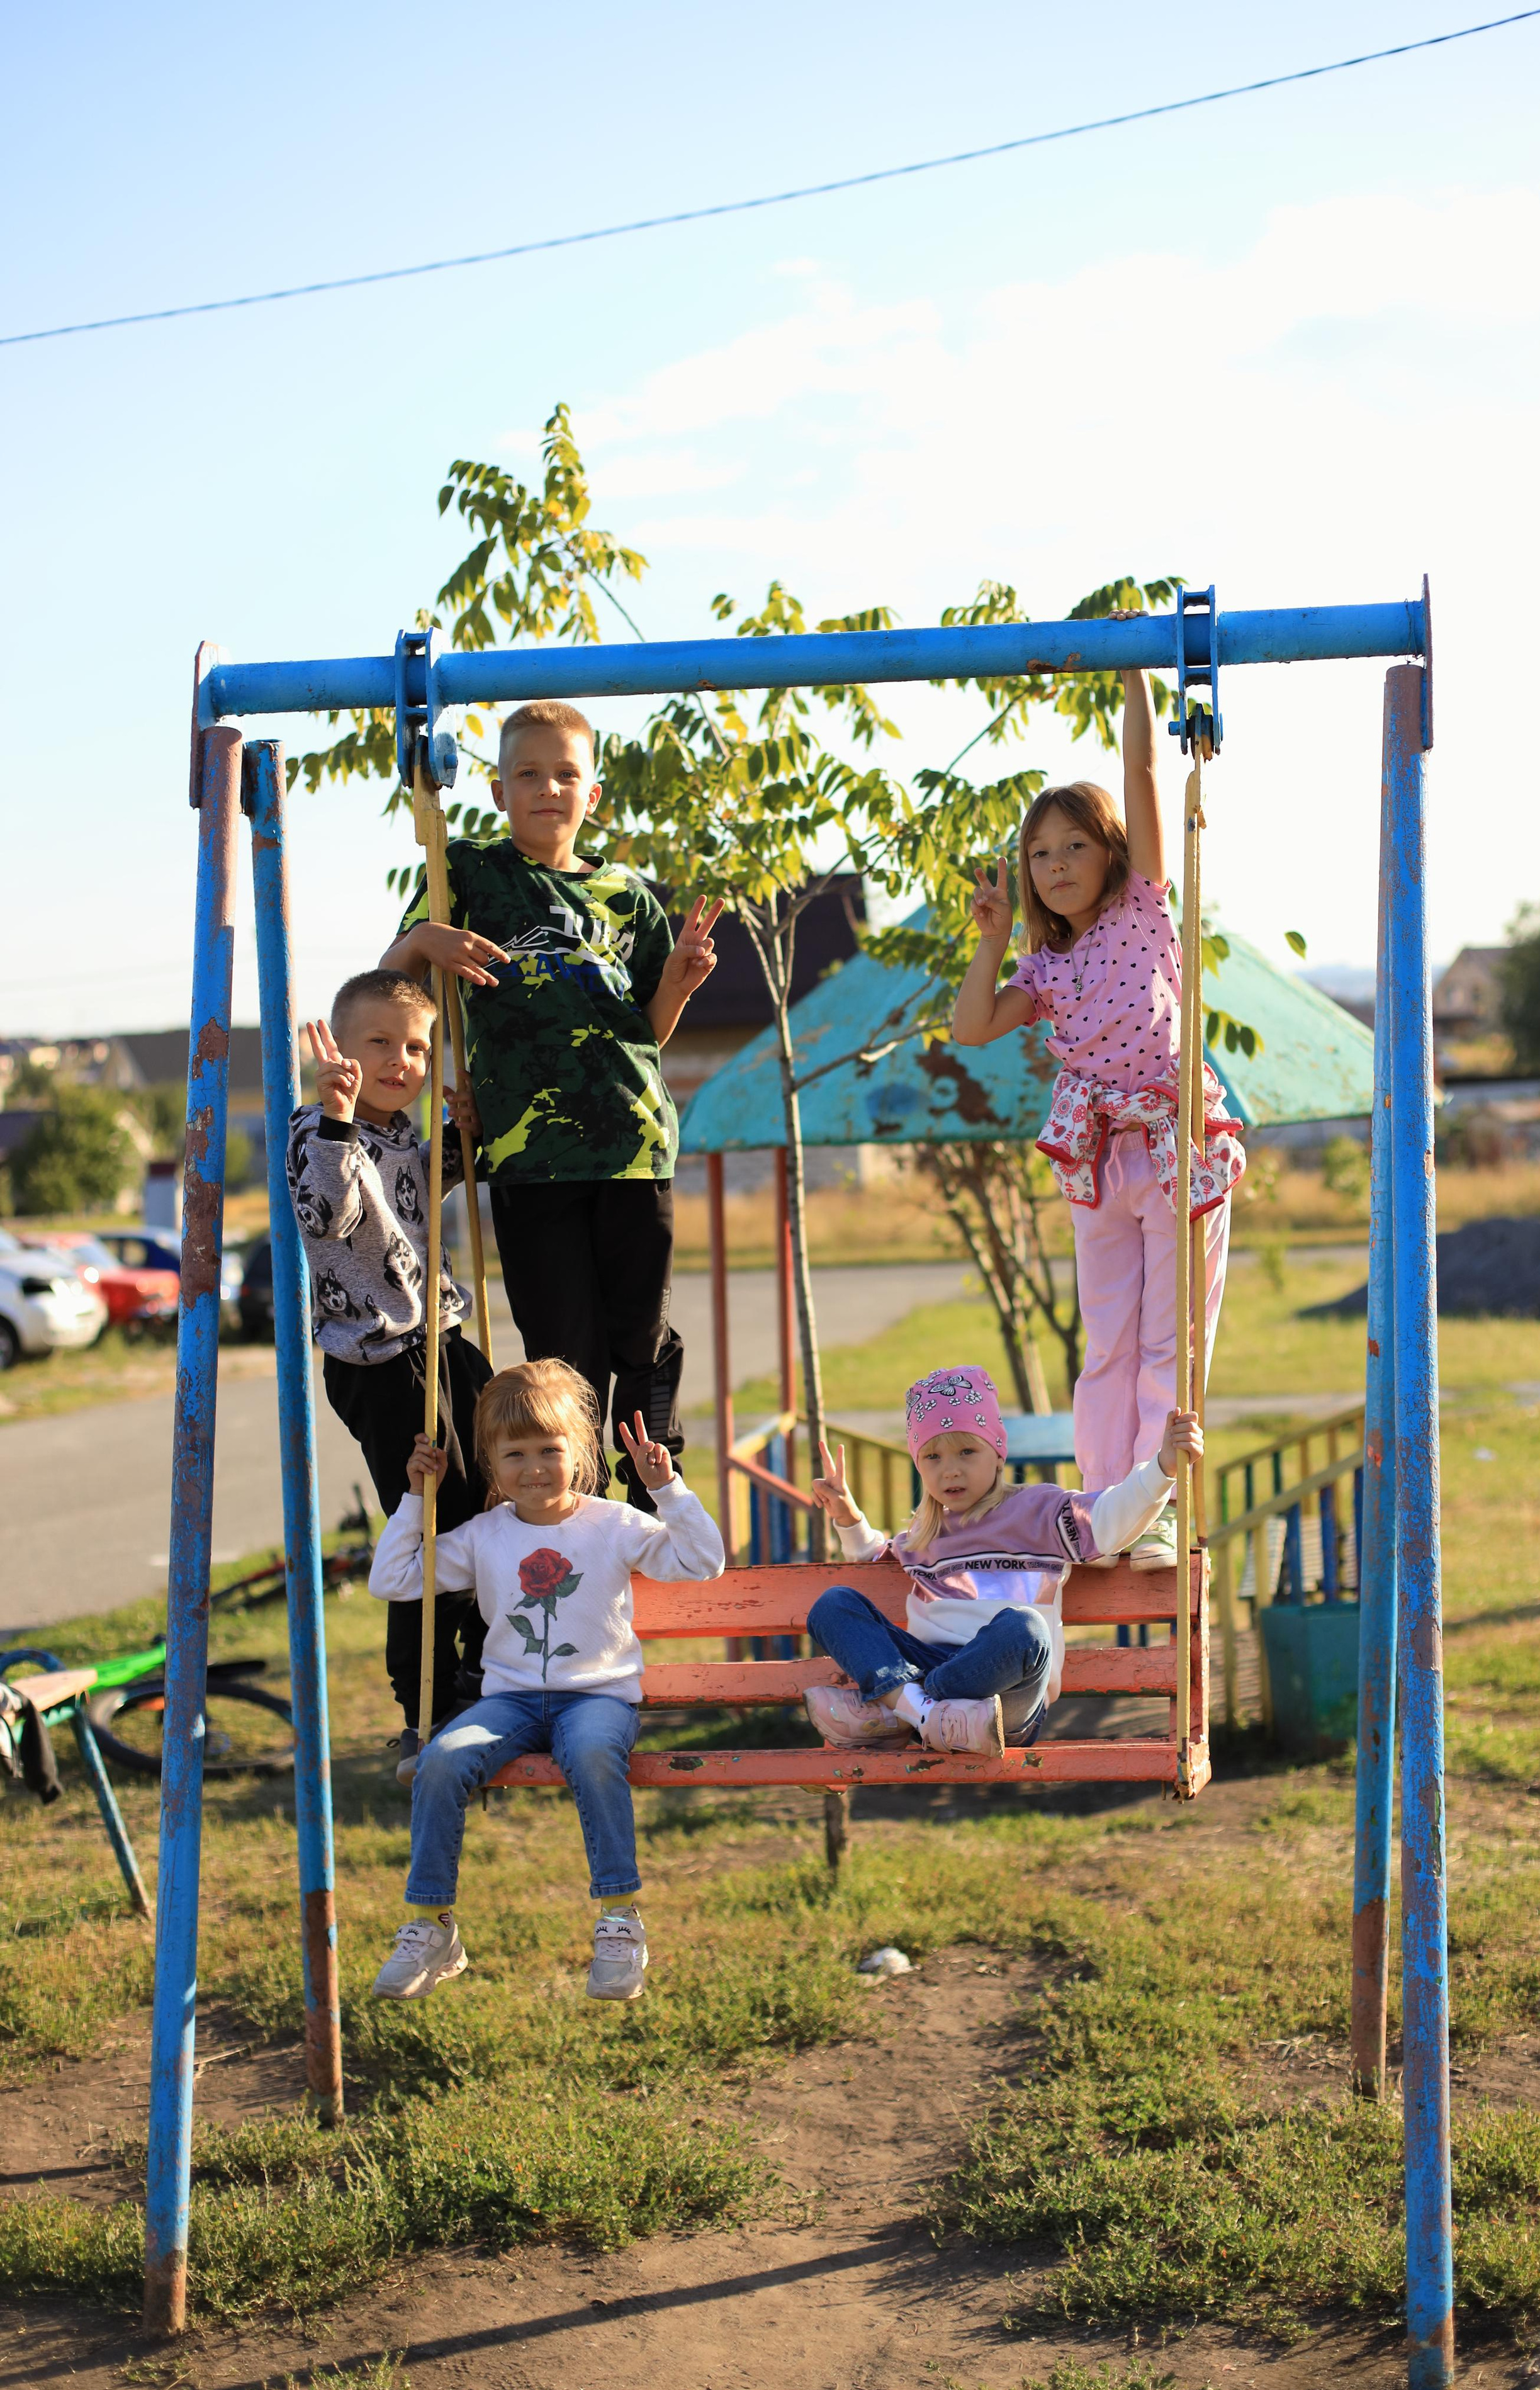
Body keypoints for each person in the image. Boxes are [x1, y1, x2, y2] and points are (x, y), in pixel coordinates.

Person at [379, 699, 722, 1511]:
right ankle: (574, 1509)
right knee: (565, 1351)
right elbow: (390, 987)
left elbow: (643, 1031)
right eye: (528, 774)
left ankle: (652, 1497)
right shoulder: (465, 872)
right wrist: (424, 942)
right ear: (498, 791)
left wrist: (677, 982)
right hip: (529, 1159)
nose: (548, 788)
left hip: (633, 1142)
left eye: (566, 774)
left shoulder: (627, 895)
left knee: (640, 1338)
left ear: (593, 793)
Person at [950, 665, 1243, 1570]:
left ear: (1111, 854)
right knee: (1107, 1343)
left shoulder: (1144, 908)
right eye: (1041, 854)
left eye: (1075, 846)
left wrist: (1135, 679)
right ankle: (1102, 1504)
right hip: (1096, 1159)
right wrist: (994, 936)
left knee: (1168, 1340)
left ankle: (1154, 1502)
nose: (1058, 865)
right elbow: (970, 1028)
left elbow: (1145, 774)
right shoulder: (1042, 970)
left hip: (1171, 1142)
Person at [367, 1358, 724, 2006]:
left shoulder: (613, 1524)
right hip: (510, 1703)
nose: (533, 1468)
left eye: (549, 1450)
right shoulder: (482, 1536)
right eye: (514, 1454)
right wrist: (416, 1495)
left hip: (598, 1697)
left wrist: (667, 1489)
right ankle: (432, 1924)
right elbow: (393, 1581)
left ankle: (620, 1919)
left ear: (581, 1452)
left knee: (590, 1754)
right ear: (489, 1462)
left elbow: (702, 1562)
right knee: (439, 1760)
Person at [292, 970, 490, 1781]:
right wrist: (338, 1115)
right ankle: (426, 1700)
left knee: (490, 1501)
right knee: (430, 1519)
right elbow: (326, 1215)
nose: (401, 1060)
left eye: (415, 1046)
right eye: (380, 1043)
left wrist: (461, 1140)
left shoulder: (403, 1131)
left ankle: (488, 1671)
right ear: (340, 1050)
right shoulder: (317, 1130)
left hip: (442, 1334)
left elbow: (420, 1193)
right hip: (379, 1361)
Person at [802, 1363, 1202, 1754]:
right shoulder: (925, 1534)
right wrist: (849, 1518)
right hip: (929, 1665)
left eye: (966, 1451)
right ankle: (926, 1716)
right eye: (933, 1458)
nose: (950, 1472)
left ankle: (905, 1713)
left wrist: (1162, 1468)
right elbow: (874, 1559)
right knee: (833, 1605)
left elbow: (1109, 1520)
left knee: (1026, 1629)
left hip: (1006, 1694)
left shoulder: (1041, 1512)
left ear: (997, 1453)